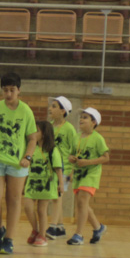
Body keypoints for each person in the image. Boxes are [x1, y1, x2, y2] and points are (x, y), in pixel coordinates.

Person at [0, 72, 38, 255]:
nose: (9, 94)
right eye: (5, 90)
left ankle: (9, 239)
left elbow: (32, 138)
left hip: (17, 164)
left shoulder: (26, 111)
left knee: (13, 200)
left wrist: (27, 157)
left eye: (12, 90)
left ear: (19, 90)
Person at [67, 108, 109, 246]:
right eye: (81, 117)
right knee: (82, 203)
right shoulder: (76, 137)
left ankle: (78, 235)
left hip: (91, 174)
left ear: (94, 122)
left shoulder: (98, 138)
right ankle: (98, 228)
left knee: (82, 202)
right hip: (79, 174)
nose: (81, 119)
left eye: (85, 117)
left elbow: (105, 157)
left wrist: (88, 162)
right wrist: (71, 159)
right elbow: (70, 155)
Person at [22, 121, 63, 247]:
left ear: (44, 134)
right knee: (27, 206)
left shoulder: (52, 150)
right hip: (32, 182)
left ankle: (42, 236)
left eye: (37, 131)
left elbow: (58, 168)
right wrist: (24, 184)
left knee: (41, 210)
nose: (33, 133)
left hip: (47, 183)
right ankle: (35, 230)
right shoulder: (31, 148)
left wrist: (60, 184)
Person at [46, 96, 77, 239]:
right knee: (54, 197)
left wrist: (72, 170)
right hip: (50, 166)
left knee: (57, 196)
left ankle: (52, 227)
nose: (50, 109)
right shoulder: (49, 126)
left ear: (63, 111)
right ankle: (60, 227)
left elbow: (75, 151)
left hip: (63, 167)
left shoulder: (69, 129)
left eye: (54, 106)